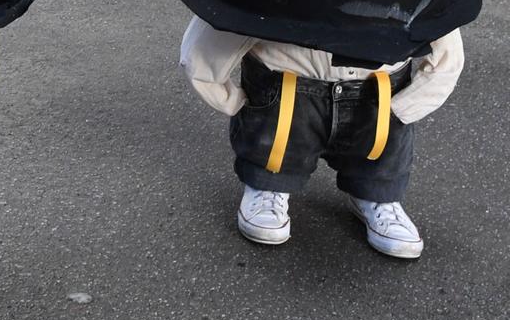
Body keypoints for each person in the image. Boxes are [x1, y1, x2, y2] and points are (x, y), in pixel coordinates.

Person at [179, 16, 466, 260]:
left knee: (380, 154)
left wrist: (406, 107)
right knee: (276, 148)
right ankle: (269, 185)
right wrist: (228, 98)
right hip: (290, 83)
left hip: (376, 88)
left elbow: (435, 3)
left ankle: (376, 193)